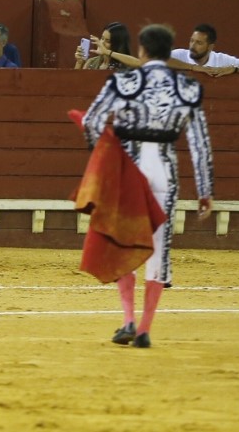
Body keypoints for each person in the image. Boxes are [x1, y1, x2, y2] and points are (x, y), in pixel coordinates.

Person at [82, 24, 214, 349]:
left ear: (141, 50)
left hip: (131, 170)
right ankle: (144, 329)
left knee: (125, 240)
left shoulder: (124, 81)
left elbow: (91, 121)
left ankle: (127, 318)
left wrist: (104, 161)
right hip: (165, 173)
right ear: (169, 52)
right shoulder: (187, 87)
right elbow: (200, 144)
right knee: (159, 245)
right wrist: (205, 190)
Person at [168, 23, 239, 76]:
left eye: (199, 43)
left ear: (210, 47)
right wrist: (193, 67)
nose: (192, 46)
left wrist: (234, 69)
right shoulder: (180, 54)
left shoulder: (220, 59)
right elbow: (155, 58)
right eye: (192, 41)